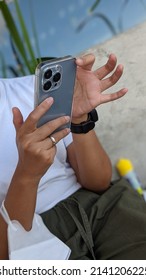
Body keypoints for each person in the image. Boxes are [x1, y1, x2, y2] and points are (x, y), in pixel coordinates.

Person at [0, 53, 146, 260]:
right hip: (33, 241)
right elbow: (4, 253)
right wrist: (27, 173)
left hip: (99, 207)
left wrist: (80, 120)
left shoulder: (33, 88)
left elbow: (98, 182)